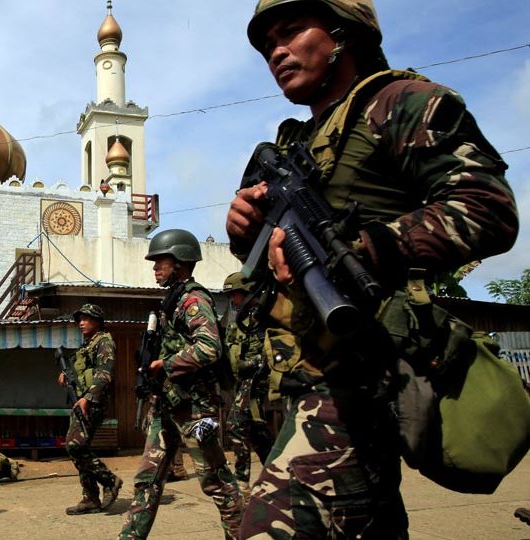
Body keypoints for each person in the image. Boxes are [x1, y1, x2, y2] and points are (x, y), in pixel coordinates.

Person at [228, 1, 519, 537]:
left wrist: (363, 248)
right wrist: (245, 227)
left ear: (344, 34)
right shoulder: (294, 141)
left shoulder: (403, 102)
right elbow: (260, 265)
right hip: (295, 375)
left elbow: (487, 209)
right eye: (268, 41)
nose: (276, 50)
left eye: (291, 31)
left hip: (363, 373)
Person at [119, 230, 244, 539]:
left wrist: (168, 364)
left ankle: (244, 534)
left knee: (216, 481)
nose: (154, 267)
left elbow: (209, 347)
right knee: (147, 480)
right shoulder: (172, 300)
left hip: (193, 407)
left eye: (159, 260)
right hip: (168, 403)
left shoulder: (193, 299)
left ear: (179, 262)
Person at [59, 303, 124, 515]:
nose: (81, 323)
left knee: (75, 445)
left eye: (86, 319)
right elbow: (83, 372)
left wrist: (88, 398)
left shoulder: (104, 342)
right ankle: (90, 498)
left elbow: (105, 373)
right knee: (80, 447)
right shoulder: (88, 344)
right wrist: (66, 377)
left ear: (97, 321)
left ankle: (109, 480)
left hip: (92, 402)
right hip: (82, 400)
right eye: (80, 319)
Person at [221, 272, 274, 503]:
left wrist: (249, 364)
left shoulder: (263, 316)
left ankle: (242, 481)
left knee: (235, 425)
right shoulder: (240, 318)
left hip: (257, 380)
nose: (233, 300)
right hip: (242, 381)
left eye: (236, 294)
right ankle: (276, 474)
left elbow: (269, 352)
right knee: (257, 433)